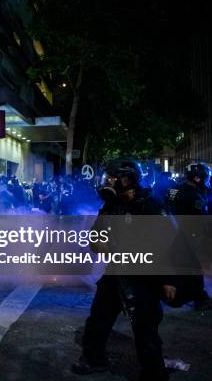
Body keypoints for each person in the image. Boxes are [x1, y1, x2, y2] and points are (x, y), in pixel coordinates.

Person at [72, 160, 175, 380]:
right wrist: (98, 243)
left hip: (143, 277)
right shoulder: (111, 205)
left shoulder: (151, 206)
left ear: (127, 179)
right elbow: (95, 235)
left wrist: (169, 280)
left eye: (111, 177)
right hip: (115, 272)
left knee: (145, 328)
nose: (107, 182)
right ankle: (93, 359)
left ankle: (154, 373)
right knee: (98, 318)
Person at [167, 163, 212, 311]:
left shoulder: (174, 189)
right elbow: (201, 218)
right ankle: (199, 299)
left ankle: (186, 297)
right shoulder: (194, 194)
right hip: (188, 234)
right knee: (194, 268)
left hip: (173, 231)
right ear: (197, 178)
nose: (206, 181)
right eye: (204, 178)